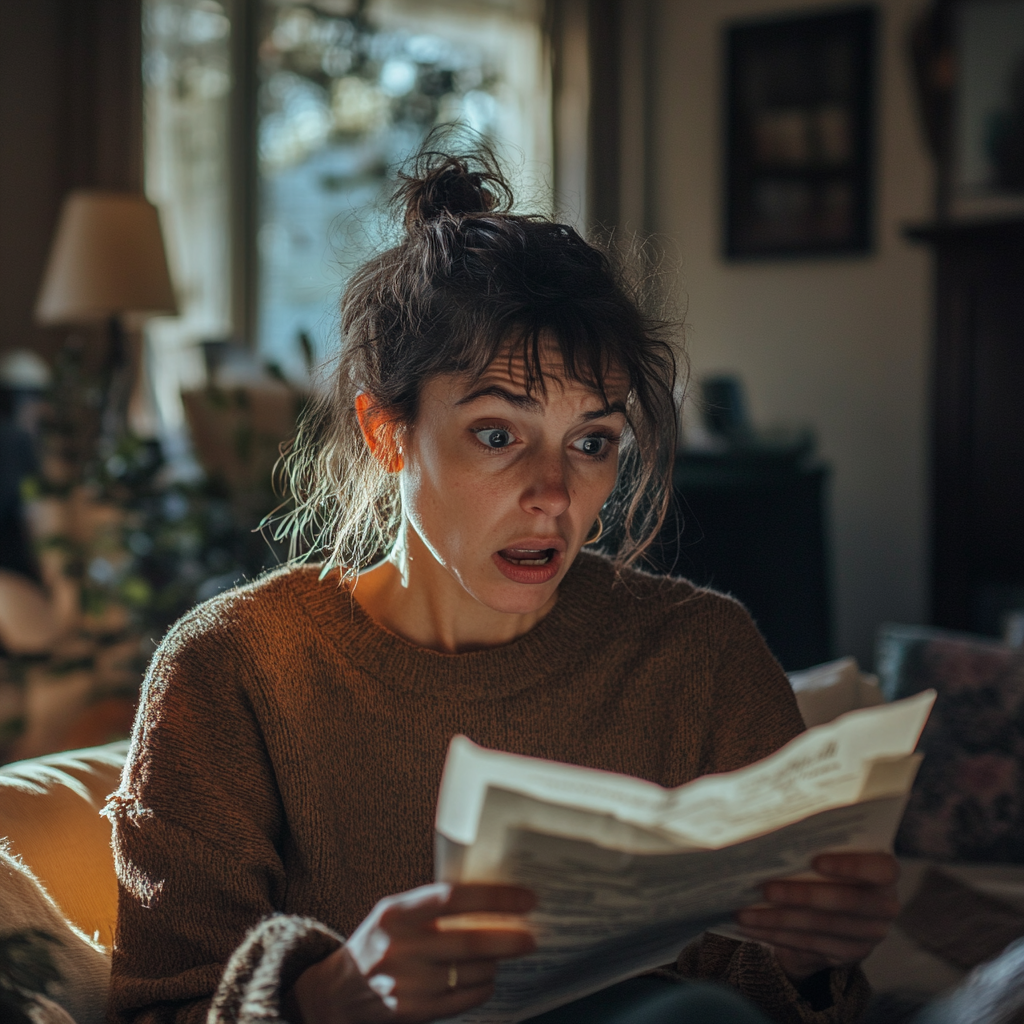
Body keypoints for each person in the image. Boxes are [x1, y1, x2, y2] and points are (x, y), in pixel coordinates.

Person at [106, 141, 899, 1024]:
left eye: (592, 442)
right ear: (387, 432)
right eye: (497, 434)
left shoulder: (700, 653)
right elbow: (158, 1009)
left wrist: (807, 961)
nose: (555, 494)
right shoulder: (235, 670)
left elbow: (777, 1002)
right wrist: (330, 996)